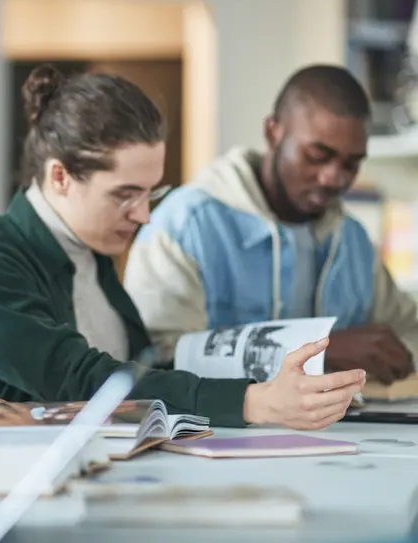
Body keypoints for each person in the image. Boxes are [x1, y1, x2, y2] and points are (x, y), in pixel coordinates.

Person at [0, 64, 366, 430]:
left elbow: (143, 374)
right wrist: (254, 402)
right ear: (60, 176)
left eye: (150, 194)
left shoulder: (92, 256)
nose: (143, 215)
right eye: (125, 195)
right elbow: (81, 381)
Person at [124, 65, 418, 385]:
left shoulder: (352, 240)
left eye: (351, 163)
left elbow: (409, 327)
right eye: (317, 155)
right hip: (213, 434)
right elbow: (156, 359)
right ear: (272, 132)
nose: (334, 177)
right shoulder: (185, 225)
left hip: (340, 432)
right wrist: (319, 350)